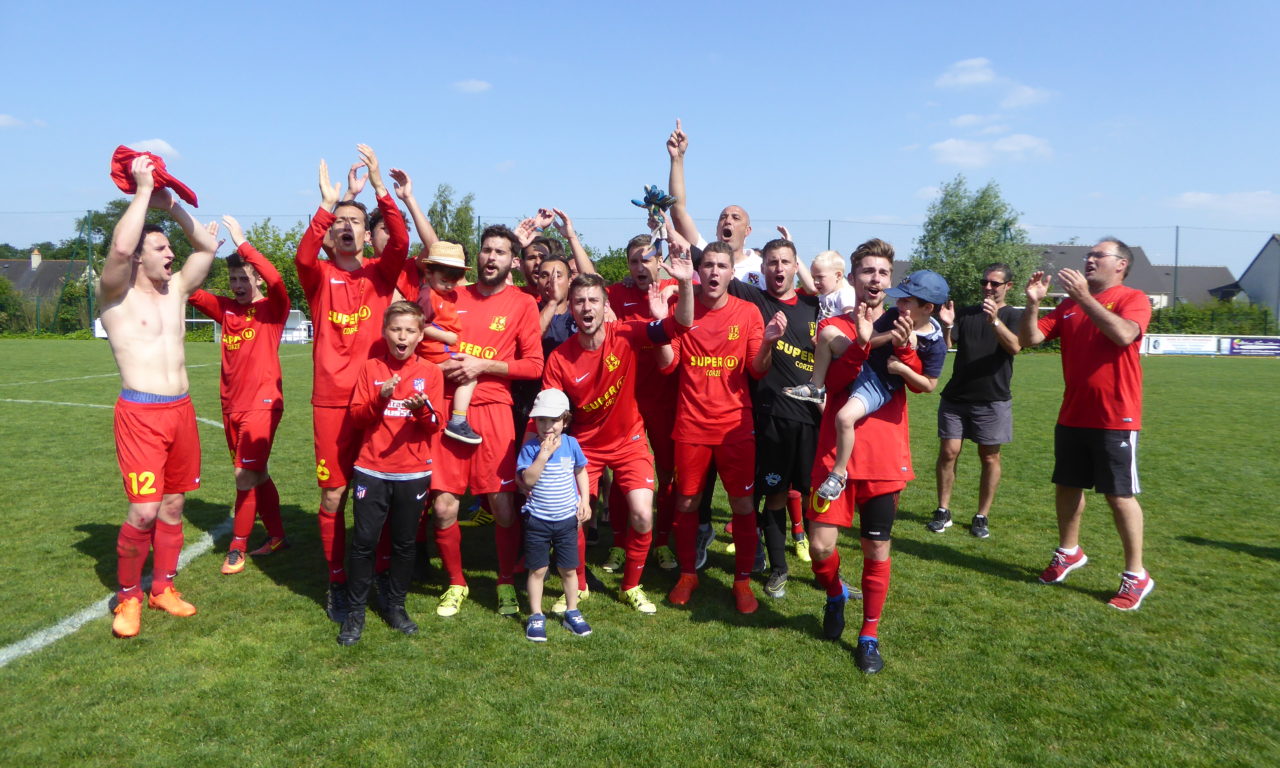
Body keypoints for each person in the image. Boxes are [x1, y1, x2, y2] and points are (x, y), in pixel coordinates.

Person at [101, 156, 219, 638]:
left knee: (173, 508)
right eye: (161, 247)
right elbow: (119, 245)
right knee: (144, 510)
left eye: (170, 246)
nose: (171, 253)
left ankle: (163, 587)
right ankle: (128, 597)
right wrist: (144, 191)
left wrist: (172, 208)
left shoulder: (177, 289)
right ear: (138, 258)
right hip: (141, 415)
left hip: (181, 413)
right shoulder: (116, 294)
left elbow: (207, 245)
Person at [295, 145, 409, 624]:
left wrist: (380, 187)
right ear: (331, 232)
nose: (346, 226)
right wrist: (328, 202)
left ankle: (380, 576)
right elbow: (303, 253)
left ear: (366, 234)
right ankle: (338, 581)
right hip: (330, 404)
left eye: (355, 221)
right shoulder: (318, 275)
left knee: (380, 496)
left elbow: (400, 240)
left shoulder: (381, 275)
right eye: (339, 221)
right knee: (333, 497)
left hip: (376, 397)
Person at [806, 239, 924, 674]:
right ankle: (835, 592)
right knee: (820, 548)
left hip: (884, 456)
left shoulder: (903, 322)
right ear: (852, 278)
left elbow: (919, 381)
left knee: (876, 548)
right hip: (834, 456)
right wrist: (860, 341)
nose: (875, 279)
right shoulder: (832, 326)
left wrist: (905, 347)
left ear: (890, 281)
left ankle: (869, 635)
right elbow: (834, 381)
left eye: (883, 272)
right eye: (868, 271)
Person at [1018, 238, 1155, 611]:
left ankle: (1136, 575)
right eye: (1088, 255)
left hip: (1116, 415)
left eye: (1098, 255)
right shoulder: (1068, 305)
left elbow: (1124, 334)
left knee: (1118, 495)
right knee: (1066, 485)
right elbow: (1029, 339)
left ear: (1121, 264)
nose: (1089, 259)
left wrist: (1084, 298)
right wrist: (1032, 304)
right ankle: (1069, 552)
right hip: (1073, 413)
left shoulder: (1133, 298)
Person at [543, 272, 679, 614]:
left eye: (593, 300)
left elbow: (677, 328)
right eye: (579, 301)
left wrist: (666, 309)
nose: (586, 307)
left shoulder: (626, 334)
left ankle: (630, 586)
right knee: (574, 518)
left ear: (606, 306)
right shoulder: (559, 358)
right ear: (570, 308)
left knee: (643, 515)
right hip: (584, 448)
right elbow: (550, 415)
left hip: (629, 441)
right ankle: (579, 586)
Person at [663, 241, 785, 614]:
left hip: (735, 426)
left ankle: (742, 581)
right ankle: (688, 575)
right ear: (699, 272)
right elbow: (668, 365)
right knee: (687, 501)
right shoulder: (681, 307)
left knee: (742, 504)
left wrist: (768, 344)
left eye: (721, 266)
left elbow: (757, 370)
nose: (714, 272)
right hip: (691, 425)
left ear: (733, 272)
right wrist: (660, 325)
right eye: (708, 265)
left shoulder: (747, 312)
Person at [430, 225, 544, 618]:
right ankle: (456, 583)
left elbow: (534, 365)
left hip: (494, 410)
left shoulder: (522, 304)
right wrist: (440, 367)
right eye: (486, 250)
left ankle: (505, 581)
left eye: (500, 252)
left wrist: (484, 365)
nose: (491, 257)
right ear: (476, 256)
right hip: (449, 410)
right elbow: (424, 343)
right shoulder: (453, 296)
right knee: (444, 507)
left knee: (503, 506)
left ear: (512, 261)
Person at [787, 268, 950, 501]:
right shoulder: (894, 315)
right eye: (900, 299)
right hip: (865, 362)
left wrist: (902, 369)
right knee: (828, 332)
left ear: (927, 308)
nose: (898, 304)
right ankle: (817, 387)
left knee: (844, 418)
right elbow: (870, 340)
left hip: (878, 384)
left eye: (906, 301)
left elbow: (930, 385)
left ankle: (838, 474)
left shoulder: (935, 344)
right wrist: (892, 335)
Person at [188, 215, 290, 573]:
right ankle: (277, 536)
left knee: (244, 476)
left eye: (244, 278)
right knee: (256, 473)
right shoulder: (227, 310)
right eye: (232, 279)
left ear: (256, 278)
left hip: (263, 403)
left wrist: (243, 243)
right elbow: (189, 290)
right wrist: (204, 252)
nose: (237, 285)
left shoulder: (273, 309)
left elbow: (276, 280)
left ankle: (237, 548)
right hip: (230, 405)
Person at [338, 301, 444, 645]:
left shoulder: (431, 373)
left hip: (413, 473)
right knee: (364, 543)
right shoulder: (371, 368)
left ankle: (396, 606)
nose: (402, 336)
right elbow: (357, 418)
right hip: (372, 470)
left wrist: (420, 411)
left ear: (420, 335)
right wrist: (381, 398)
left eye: (410, 330)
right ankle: (355, 612)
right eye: (396, 329)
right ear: (385, 332)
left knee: (404, 544)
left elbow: (436, 425)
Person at [725, 238, 820, 598]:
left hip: (812, 419)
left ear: (796, 266)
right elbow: (706, 257)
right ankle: (778, 568)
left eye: (785, 261)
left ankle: (827, 571)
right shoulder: (754, 300)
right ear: (762, 268)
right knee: (776, 496)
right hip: (772, 418)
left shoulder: (815, 306)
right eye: (772, 262)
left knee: (815, 498)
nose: (779, 268)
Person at [930, 264, 1022, 538]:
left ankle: (981, 516)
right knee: (948, 452)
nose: (988, 287)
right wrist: (948, 325)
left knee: (989, 457)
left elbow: (1015, 346)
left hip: (993, 400)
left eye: (995, 283)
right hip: (956, 397)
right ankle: (943, 510)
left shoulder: (1013, 315)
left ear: (1008, 286)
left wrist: (994, 320)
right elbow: (946, 345)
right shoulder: (967, 313)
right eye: (985, 282)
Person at [517, 389, 594, 641]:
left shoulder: (571, 444)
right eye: (542, 420)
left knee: (569, 569)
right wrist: (543, 455)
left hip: (566, 520)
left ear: (565, 421)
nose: (547, 426)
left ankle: (572, 611)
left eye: (554, 420)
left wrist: (585, 500)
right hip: (538, 520)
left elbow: (581, 470)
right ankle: (536, 615)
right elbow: (528, 480)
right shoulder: (530, 448)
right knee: (537, 570)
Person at [810, 250, 859, 320]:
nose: (815, 282)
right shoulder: (823, 296)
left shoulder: (844, 294)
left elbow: (850, 319)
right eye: (813, 277)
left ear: (838, 276)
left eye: (820, 277)